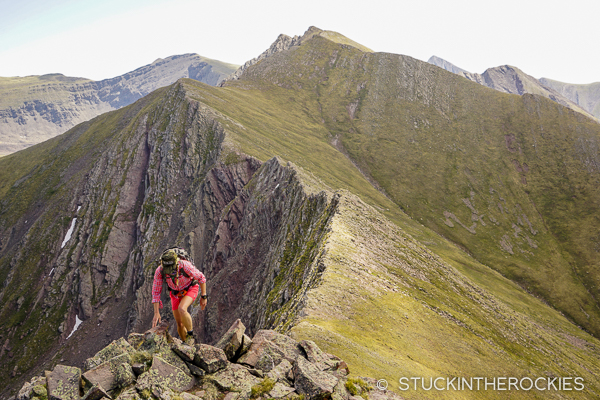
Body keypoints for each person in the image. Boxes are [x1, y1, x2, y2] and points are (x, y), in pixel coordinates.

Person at [151, 248, 207, 343]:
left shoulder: (185, 265)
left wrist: (203, 296)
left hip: (190, 288)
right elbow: (156, 292)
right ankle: (187, 345)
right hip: (175, 293)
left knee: (182, 308)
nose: (168, 272)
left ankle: (190, 336)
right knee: (179, 324)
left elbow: (201, 278)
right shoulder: (160, 271)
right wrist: (156, 312)